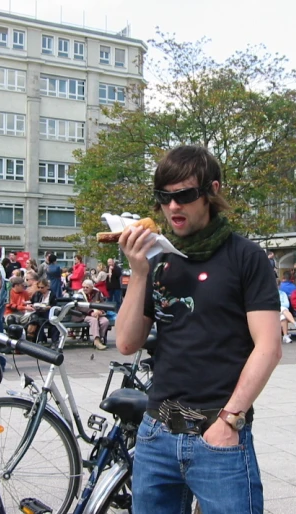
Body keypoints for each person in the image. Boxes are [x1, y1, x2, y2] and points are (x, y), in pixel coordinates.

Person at [115, 145, 281, 513]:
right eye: (164, 197)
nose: (173, 207)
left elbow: (269, 346)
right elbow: (126, 343)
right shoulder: (158, 259)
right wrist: (138, 271)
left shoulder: (245, 257)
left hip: (218, 435)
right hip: (157, 432)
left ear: (212, 191)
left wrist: (229, 420)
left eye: (185, 195)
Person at [74, 279, 110, 350]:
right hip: (82, 315)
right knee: (93, 320)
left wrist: (100, 311)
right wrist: (91, 312)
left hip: (97, 314)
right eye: (83, 287)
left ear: (91, 287)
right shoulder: (79, 293)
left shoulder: (97, 292)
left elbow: (103, 304)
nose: (84, 289)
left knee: (105, 321)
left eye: (87, 287)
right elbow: (79, 306)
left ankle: (99, 339)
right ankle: (96, 340)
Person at [277, 278, 296, 343]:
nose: (276, 286)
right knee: (283, 310)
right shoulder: (269, 294)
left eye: (278, 285)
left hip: (281, 311)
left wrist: (279, 305)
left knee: (283, 316)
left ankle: (285, 336)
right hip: (273, 312)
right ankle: (295, 324)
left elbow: (287, 304)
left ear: (279, 286)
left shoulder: (283, 293)